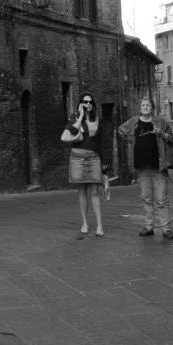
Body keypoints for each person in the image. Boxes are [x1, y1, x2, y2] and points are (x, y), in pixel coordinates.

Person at [118, 98, 173, 240]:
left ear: (152, 108)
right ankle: (149, 226)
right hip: (142, 166)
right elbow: (121, 131)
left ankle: (166, 228)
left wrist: (161, 133)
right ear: (139, 108)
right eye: (143, 105)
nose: (145, 107)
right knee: (146, 198)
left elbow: (172, 139)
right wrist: (132, 140)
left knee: (162, 199)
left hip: (158, 166)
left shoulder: (160, 122)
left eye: (148, 105)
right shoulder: (134, 122)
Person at [61, 92, 105, 238]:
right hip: (78, 158)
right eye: (85, 102)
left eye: (90, 102)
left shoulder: (97, 119)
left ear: (93, 105)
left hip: (94, 158)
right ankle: (85, 223)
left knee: (94, 192)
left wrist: (104, 163)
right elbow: (72, 131)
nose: (88, 104)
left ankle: (99, 225)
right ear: (81, 104)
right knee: (82, 192)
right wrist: (80, 116)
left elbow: (101, 142)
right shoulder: (74, 118)